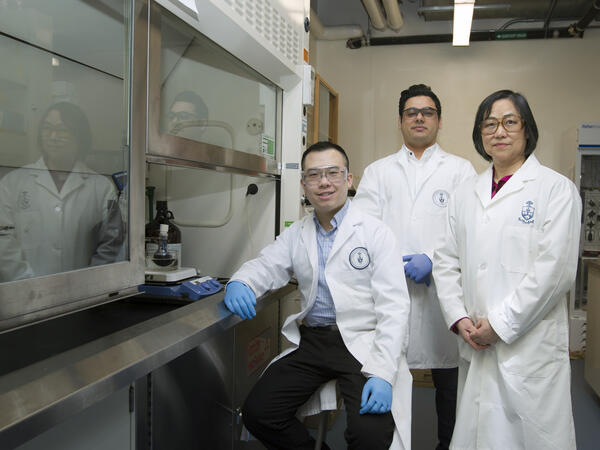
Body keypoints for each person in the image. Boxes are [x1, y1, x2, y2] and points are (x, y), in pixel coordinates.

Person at [224, 141, 412, 450]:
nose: (324, 182)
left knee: (369, 436)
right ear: (304, 185)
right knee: (259, 414)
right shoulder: (298, 233)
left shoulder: (376, 233)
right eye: (314, 175)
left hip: (363, 343)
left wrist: (381, 373)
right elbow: (267, 265)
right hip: (314, 342)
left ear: (348, 179)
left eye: (332, 173)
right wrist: (241, 282)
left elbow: (394, 308)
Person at [432, 90, 580, 450]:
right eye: (489, 124)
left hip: (528, 347)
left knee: (529, 437)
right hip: (475, 339)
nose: (499, 131)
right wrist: (457, 317)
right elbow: (445, 259)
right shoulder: (466, 193)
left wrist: (499, 325)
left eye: (509, 122)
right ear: (480, 134)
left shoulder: (555, 190)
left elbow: (555, 272)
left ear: (526, 130)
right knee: (476, 434)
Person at [353, 84, 476, 450]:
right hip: (391, 293)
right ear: (400, 121)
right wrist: (391, 263)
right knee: (388, 374)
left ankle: (448, 445)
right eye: (411, 112)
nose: (419, 118)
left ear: (439, 121)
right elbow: (363, 229)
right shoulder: (378, 171)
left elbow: (469, 232)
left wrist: (434, 262)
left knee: (449, 386)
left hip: (443, 294)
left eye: (427, 112)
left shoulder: (460, 170)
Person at [0, 102, 124, 281]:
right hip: (24, 295)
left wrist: (88, 283)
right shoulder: (14, 182)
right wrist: (26, 283)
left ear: (79, 136)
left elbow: (111, 244)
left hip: (83, 295)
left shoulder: (101, 187)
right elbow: (4, 241)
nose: (53, 136)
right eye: (47, 128)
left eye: (63, 130)